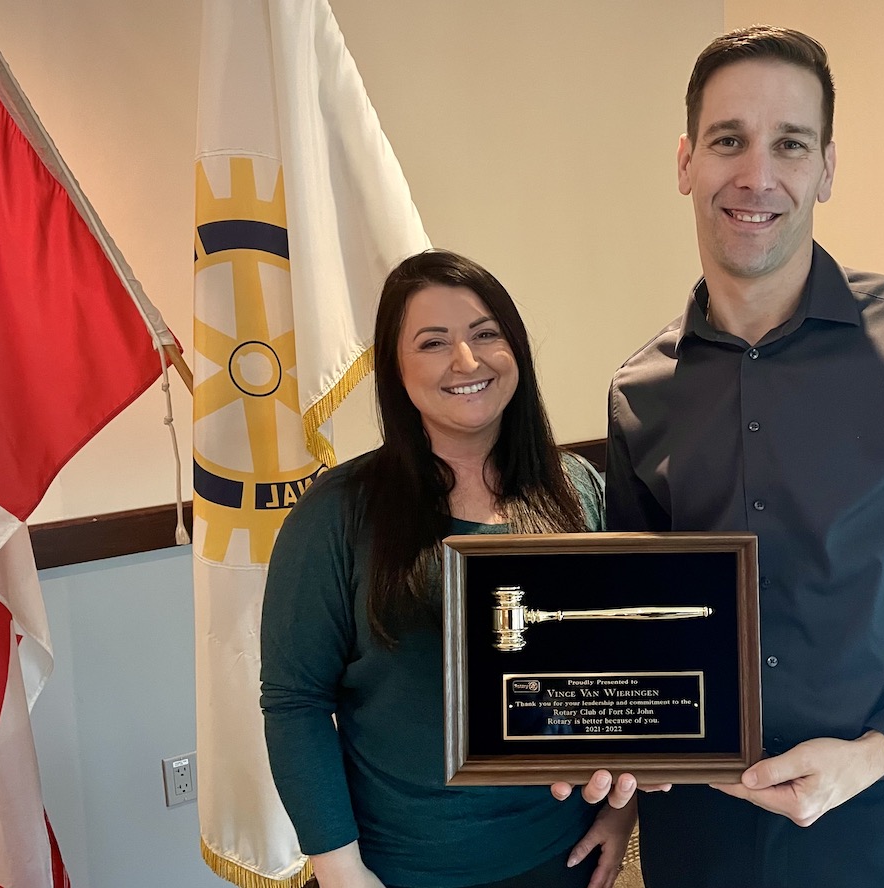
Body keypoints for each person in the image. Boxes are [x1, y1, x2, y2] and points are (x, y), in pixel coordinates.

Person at [554, 25, 884, 887]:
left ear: (827, 167)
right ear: (686, 162)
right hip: (701, 839)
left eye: (789, 144)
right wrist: (623, 788)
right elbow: (641, 625)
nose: (756, 176)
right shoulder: (638, 391)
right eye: (728, 141)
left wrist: (875, 753)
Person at [261, 249, 634, 888]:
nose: (466, 361)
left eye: (486, 334)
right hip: (402, 868)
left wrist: (619, 817)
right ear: (396, 370)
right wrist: (340, 868)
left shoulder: (577, 489)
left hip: (559, 853)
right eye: (433, 343)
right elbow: (294, 701)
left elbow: (621, 666)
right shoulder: (336, 517)